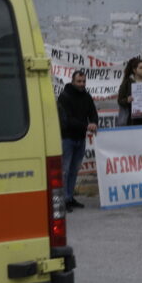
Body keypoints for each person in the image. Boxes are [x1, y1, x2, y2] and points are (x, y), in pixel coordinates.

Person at [56, 70, 99, 211]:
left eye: (84, 81)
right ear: (73, 81)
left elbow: (93, 112)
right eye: (79, 81)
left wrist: (94, 122)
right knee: (65, 171)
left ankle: (69, 197)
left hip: (80, 139)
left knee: (74, 170)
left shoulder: (86, 96)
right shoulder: (64, 97)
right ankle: (62, 201)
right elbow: (67, 120)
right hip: (67, 138)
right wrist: (87, 125)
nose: (82, 84)